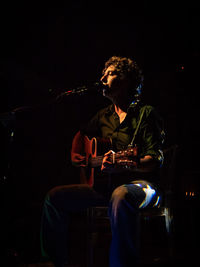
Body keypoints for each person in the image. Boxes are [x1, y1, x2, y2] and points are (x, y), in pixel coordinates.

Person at [40, 56, 165, 267]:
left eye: (110, 73)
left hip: (144, 188)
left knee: (121, 195)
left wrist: (128, 163)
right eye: (103, 73)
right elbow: (81, 134)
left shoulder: (146, 114)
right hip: (105, 187)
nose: (102, 77)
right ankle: (53, 262)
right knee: (55, 198)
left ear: (126, 79)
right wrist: (76, 153)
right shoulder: (103, 115)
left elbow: (155, 160)